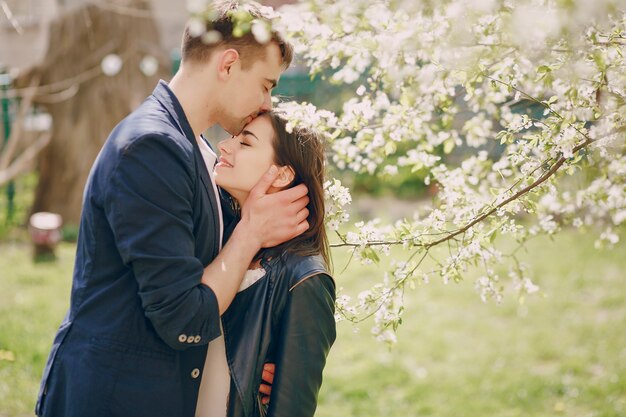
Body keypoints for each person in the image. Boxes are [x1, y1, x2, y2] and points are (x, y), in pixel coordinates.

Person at [35, 2, 309, 417]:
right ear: (229, 64)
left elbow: (220, 275)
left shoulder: (195, 147)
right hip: (112, 400)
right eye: (266, 85)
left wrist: (259, 361)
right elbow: (185, 315)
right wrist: (250, 230)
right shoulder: (151, 147)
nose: (266, 104)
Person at [194, 112, 336, 417]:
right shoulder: (213, 238)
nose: (224, 146)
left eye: (245, 143)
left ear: (282, 175)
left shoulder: (305, 278)